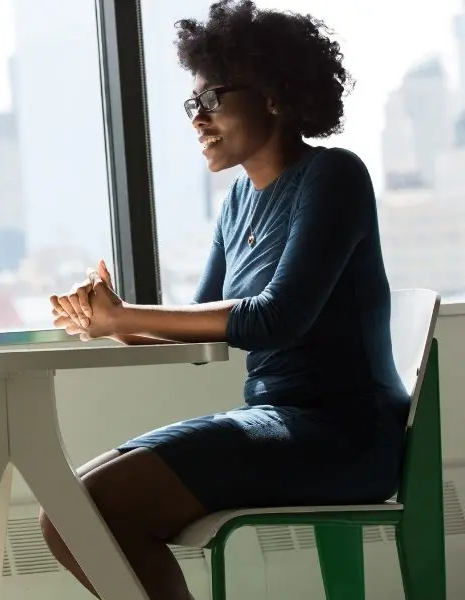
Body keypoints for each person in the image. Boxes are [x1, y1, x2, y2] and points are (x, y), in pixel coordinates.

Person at [41, 2, 410, 599]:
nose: (197, 119)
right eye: (193, 104)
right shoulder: (238, 201)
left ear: (272, 95)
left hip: (343, 434)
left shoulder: (334, 177)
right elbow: (206, 329)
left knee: (90, 512)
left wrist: (125, 314)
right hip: (276, 422)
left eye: (211, 99)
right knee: (65, 517)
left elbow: (275, 318)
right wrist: (103, 322)